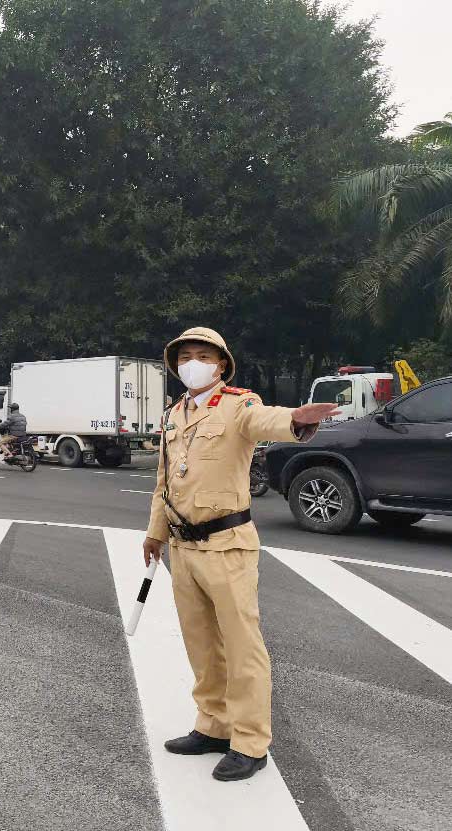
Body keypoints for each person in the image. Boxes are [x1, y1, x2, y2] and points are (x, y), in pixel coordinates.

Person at [143, 327, 337, 782]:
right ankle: (213, 725)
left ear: (221, 365)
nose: (193, 363)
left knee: (242, 647)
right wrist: (155, 533)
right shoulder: (174, 414)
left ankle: (250, 742)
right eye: (185, 356)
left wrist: (296, 420)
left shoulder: (238, 405)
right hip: (183, 548)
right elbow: (165, 481)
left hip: (227, 547)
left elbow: (265, 420)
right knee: (201, 644)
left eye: (203, 355)